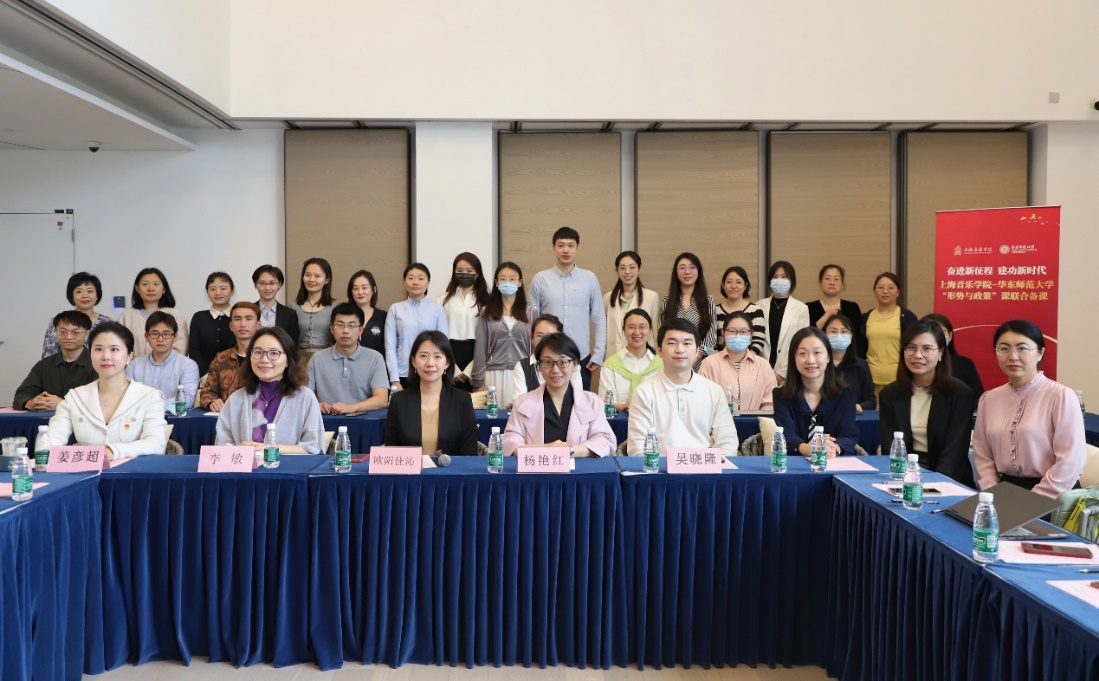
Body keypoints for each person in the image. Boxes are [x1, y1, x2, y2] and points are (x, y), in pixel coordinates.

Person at [972, 320, 1086, 498]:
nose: (1013, 356)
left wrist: (1032, 501)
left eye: (1022, 348)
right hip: (1003, 491)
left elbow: (1071, 461)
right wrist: (991, 490)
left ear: (1040, 353)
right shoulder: (989, 399)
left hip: (1054, 493)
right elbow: (982, 454)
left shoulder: (1061, 396)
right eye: (1004, 348)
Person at [46, 322, 167, 458]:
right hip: (86, 470)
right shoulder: (75, 397)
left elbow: (156, 443)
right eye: (98, 349)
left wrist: (113, 451)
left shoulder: (149, 397)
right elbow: (51, 439)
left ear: (129, 356)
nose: (105, 356)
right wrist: (45, 451)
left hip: (133, 470)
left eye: (114, 349)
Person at [878, 321, 974, 485]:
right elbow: (890, 447)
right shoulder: (890, 394)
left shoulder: (960, 394)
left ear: (941, 353)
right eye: (911, 348)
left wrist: (935, 485)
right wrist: (901, 481)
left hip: (947, 478)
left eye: (927, 349)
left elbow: (954, 452)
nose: (918, 355)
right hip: (903, 478)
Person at [627, 319, 739, 456]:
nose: (680, 350)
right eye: (672, 343)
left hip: (705, 467)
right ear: (659, 351)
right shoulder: (644, 392)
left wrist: (716, 465)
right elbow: (637, 448)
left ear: (697, 351)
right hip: (661, 468)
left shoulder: (714, 391)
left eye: (687, 343)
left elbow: (727, 441)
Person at [503, 332, 616, 457]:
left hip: (579, 469)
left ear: (575, 365)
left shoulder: (593, 402)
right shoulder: (522, 403)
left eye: (563, 362)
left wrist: (569, 450)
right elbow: (509, 442)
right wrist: (545, 449)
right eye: (548, 362)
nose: (555, 370)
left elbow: (605, 441)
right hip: (537, 468)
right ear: (539, 366)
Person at [215, 327, 326, 454]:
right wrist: (238, 450)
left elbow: (314, 448)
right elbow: (221, 448)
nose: (264, 360)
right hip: (246, 467)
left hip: (289, 466)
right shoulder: (236, 399)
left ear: (288, 360)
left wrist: (272, 449)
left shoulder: (305, 397)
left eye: (274, 353)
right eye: (258, 352)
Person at [526, 226, 607, 391]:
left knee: (579, 404)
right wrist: (533, 353)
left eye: (570, 245)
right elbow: (531, 320)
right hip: (547, 357)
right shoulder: (540, 279)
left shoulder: (590, 279)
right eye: (561, 245)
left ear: (577, 248)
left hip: (580, 357)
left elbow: (599, 318)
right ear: (553, 248)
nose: (566, 250)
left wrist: (599, 354)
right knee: (545, 402)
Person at [383, 331, 478, 454]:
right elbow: (391, 450)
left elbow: (469, 452)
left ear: (447, 362)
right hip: (411, 467)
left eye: (437, 357)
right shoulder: (398, 401)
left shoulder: (462, 400)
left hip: (451, 467)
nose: (430, 363)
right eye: (423, 356)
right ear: (413, 361)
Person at [771, 327, 858, 458]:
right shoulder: (781, 395)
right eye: (803, 353)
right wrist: (809, 449)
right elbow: (786, 435)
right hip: (794, 465)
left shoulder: (846, 394)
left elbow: (849, 435)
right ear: (793, 358)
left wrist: (833, 448)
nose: (810, 360)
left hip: (834, 462)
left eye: (817, 352)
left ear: (828, 357)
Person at [306, 303, 390, 415]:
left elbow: (382, 399)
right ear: (332, 329)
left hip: (363, 420)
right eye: (340, 325)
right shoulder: (317, 359)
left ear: (361, 330)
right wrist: (317, 405)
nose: (345, 330)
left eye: (351, 326)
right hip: (326, 420)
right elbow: (305, 397)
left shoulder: (375, 358)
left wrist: (352, 407)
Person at [471, 261, 531, 408]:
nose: (507, 283)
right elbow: (480, 347)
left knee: (521, 414)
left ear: (520, 282)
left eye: (512, 279)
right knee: (495, 415)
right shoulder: (487, 312)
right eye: (503, 279)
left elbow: (536, 345)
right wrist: (477, 381)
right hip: (493, 373)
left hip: (523, 372)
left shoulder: (531, 311)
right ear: (497, 283)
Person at [15, 311, 98, 411]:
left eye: (75, 332)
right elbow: (21, 395)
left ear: (87, 334)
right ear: (56, 333)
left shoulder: (97, 364)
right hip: (46, 420)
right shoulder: (44, 365)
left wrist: (63, 404)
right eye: (63, 332)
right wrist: (31, 403)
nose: (68, 337)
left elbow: (103, 401)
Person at [385, 263, 449, 390]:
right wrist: (394, 379)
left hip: (430, 371)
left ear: (428, 283)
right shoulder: (395, 309)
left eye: (421, 278)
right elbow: (390, 346)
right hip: (402, 373)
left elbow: (444, 346)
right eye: (411, 278)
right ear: (404, 282)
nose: (415, 282)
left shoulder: (437, 310)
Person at [698, 311, 777, 412]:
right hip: (718, 420)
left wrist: (757, 420)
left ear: (751, 334)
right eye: (732, 331)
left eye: (744, 331)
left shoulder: (763, 366)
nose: (738, 335)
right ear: (723, 333)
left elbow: (770, 403)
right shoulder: (709, 364)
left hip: (756, 421)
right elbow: (703, 400)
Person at [125, 311, 200, 412]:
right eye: (155, 334)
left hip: (173, 418)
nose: (160, 339)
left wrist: (149, 405)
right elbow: (126, 397)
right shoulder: (134, 365)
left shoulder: (188, 366)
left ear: (175, 337)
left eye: (166, 334)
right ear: (146, 337)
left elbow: (187, 400)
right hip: (139, 419)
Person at [860, 272, 918, 397]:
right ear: (875, 291)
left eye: (890, 288)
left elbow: (915, 349)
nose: (885, 291)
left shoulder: (908, 317)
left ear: (898, 292)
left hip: (899, 380)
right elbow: (860, 350)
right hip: (870, 380)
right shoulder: (866, 318)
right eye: (881, 287)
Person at [438, 252, 489, 391]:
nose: (464, 274)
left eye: (469, 271)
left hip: (477, 354)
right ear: (454, 273)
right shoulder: (442, 300)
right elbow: (438, 338)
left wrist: (468, 372)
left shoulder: (487, 301)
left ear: (477, 273)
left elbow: (487, 341)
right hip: (449, 354)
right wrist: (453, 369)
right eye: (460, 271)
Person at [198, 302, 261, 412]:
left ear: (258, 325)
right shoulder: (221, 359)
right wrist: (212, 402)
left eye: (248, 319)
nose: (243, 324)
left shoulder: (266, 358)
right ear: (231, 326)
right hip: (228, 416)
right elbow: (206, 393)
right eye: (237, 319)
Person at [660, 252, 719, 369]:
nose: (687, 272)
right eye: (682, 268)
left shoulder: (708, 300)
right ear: (676, 272)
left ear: (698, 271)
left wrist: (694, 359)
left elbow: (711, 337)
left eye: (692, 267)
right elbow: (661, 333)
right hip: (673, 361)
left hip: (700, 364)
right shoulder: (667, 301)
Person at [758, 260, 810, 386]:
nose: (779, 280)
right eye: (775, 277)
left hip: (788, 373)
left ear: (791, 281)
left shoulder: (801, 308)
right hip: (760, 371)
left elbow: (800, 343)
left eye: (784, 277)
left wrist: (782, 373)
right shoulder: (759, 305)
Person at [600, 308, 663, 411]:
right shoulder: (610, 366)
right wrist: (624, 406)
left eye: (642, 327)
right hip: (619, 420)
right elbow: (604, 404)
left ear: (650, 329)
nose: (637, 332)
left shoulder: (662, 365)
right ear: (623, 330)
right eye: (631, 327)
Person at [117, 267, 188, 357]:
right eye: (145, 284)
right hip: (133, 365)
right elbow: (118, 346)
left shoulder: (175, 315)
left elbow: (181, 347)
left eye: (156, 284)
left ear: (164, 289)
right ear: (137, 288)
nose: (151, 288)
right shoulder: (126, 316)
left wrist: (161, 362)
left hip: (170, 365)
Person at [603, 251, 660, 360]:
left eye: (632, 267)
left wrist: (658, 358)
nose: (627, 272)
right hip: (614, 356)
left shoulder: (651, 297)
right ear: (617, 270)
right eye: (622, 268)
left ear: (639, 269)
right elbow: (604, 333)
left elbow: (655, 333)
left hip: (643, 357)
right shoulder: (608, 298)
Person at [923, 312, 984, 412]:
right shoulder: (917, 363)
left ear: (950, 336)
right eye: (931, 331)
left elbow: (978, 398)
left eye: (942, 331)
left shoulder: (965, 364)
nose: (937, 336)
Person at [512, 314, 582, 401]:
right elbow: (519, 402)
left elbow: (578, 399)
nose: (544, 340)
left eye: (551, 336)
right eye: (539, 335)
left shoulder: (571, 364)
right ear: (532, 338)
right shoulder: (522, 366)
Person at [41, 272, 111, 358]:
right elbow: (48, 355)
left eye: (90, 291)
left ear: (97, 295)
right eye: (79, 291)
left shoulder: (106, 323)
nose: (85, 295)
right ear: (72, 296)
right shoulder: (59, 321)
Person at [807, 264, 865, 356]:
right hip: (817, 360)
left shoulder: (852, 308)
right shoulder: (808, 308)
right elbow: (805, 338)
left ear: (842, 284)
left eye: (836, 279)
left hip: (848, 360)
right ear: (820, 282)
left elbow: (859, 339)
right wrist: (824, 318)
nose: (832, 282)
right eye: (827, 278)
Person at [822, 313, 876, 412]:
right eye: (833, 331)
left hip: (853, 416)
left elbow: (871, 401)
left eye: (844, 331)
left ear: (851, 335)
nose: (839, 336)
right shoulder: (819, 365)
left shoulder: (861, 366)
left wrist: (856, 407)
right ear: (825, 334)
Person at [187, 271, 236, 376]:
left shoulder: (238, 317)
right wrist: (205, 376)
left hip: (235, 377)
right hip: (203, 378)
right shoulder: (199, 317)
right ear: (207, 292)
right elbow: (194, 350)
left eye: (223, 288)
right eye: (213, 289)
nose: (218, 293)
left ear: (232, 291)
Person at [289, 257, 336, 361]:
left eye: (317, 276)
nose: (311, 280)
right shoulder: (292, 307)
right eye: (307, 275)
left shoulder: (335, 307)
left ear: (326, 280)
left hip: (327, 358)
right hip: (298, 360)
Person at [714, 266, 766, 357]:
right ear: (723, 285)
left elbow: (759, 339)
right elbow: (711, 341)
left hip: (749, 360)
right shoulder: (714, 311)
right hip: (720, 360)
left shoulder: (755, 310)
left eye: (738, 282)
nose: (733, 286)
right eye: (729, 282)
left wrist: (747, 359)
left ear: (745, 286)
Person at [253, 264, 300, 340]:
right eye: (262, 283)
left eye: (272, 283)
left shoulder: (289, 314)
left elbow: (292, 343)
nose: (267, 288)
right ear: (256, 285)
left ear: (279, 284)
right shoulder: (248, 311)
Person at [347, 269, 386, 356]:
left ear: (374, 289)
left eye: (364, 288)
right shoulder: (345, 316)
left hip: (376, 364)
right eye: (356, 288)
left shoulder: (383, 317)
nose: (360, 292)